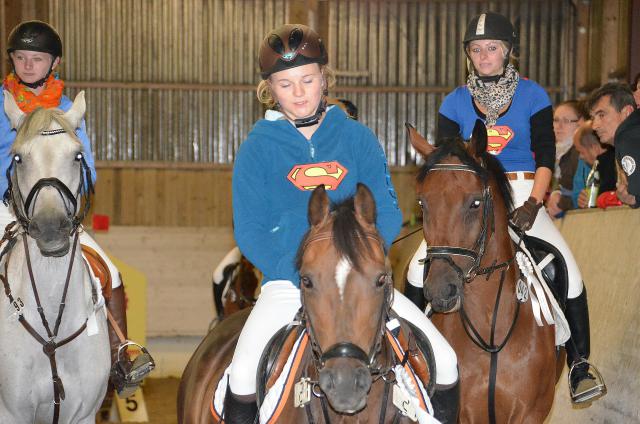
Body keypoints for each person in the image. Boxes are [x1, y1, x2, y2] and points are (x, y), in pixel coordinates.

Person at [228, 24, 459, 423]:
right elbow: (249, 229)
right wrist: (298, 272)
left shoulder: (358, 138)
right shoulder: (256, 148)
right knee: (243, 373)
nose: (299, 93)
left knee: (446, 360)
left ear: (324, 79)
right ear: (269, 89)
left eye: (307, 80)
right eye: (285, 84)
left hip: (363, 283)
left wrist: (361, 264)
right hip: (289, 282)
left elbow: (387, 212)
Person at [405, 11, 605, 404]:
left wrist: (534, 202)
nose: (484, 56)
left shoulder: (533, 96)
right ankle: (407, 360)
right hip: (471, 196)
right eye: (476, 49)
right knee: (416, 268)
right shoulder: (454, 102)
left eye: (491, 48)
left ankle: (580, 366)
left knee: (567, 267)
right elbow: (446, 162)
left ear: (508, 51)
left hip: (524, 188)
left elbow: (545, 155)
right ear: (468, 54)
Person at [0, 20, 152, 397]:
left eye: (37, 58)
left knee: (110, 272)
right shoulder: (1, 105)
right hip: (5, 207)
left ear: (55, 63)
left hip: (54, 210)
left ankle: (121, 355)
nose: (28, 65)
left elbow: (87, 168)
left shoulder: (68, 110)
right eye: (21, 58)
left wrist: (63, 199)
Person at [587, 83, 638, 207]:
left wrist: (634, 198)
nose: (594, 126)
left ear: (627, 112)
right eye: (593, 118)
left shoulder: (627, 137)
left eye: (602, 115)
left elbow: (636, 193)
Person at [546, 100, 585, 218]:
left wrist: (560, 199)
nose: (559, 126)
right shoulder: (551, 153)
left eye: (566, 121)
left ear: (580, 123)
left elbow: (578, 193)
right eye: (556, 120)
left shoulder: (581, 153)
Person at [570, 122, 616, 209]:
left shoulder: (607, 165)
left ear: (594, 147)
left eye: (581, 152)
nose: (580, 157)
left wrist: (593, 201)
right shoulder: (606, 162)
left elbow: (609, 200)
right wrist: (586, 200)